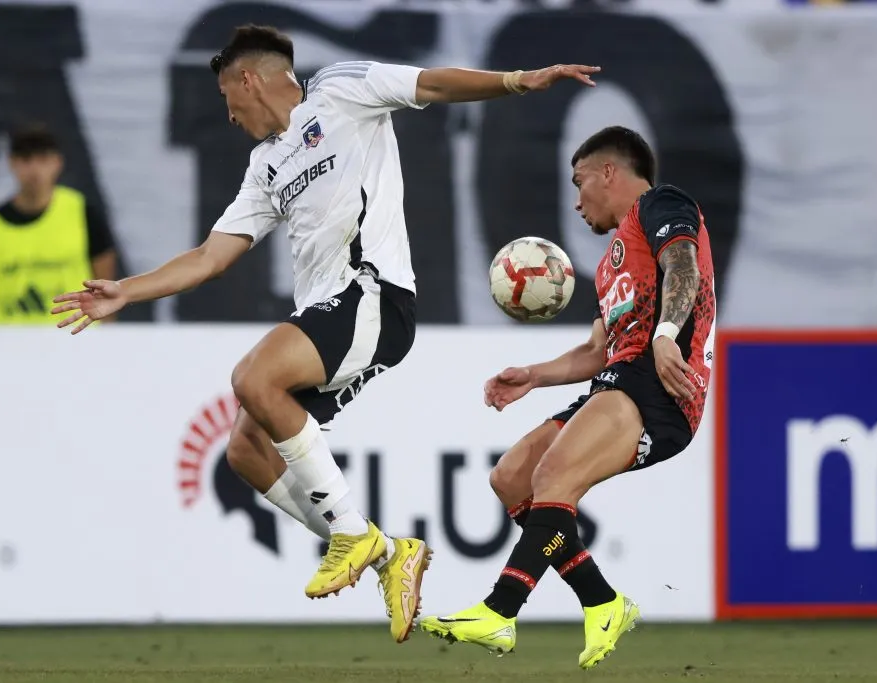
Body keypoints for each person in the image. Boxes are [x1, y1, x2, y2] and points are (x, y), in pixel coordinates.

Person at [50, 24, 600, 643]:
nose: (228, 117)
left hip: (374, 295)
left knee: (253, 378)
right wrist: (127, 289)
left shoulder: (339, 90)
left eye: (226, 99)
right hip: (334, 315)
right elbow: (209, 256)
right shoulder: (265, 167)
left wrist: (517, 81)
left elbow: (433, 85)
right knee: (244, 450)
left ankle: (351, 535)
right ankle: (388, 552)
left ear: (247, 79)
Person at [420, 126, 716, 669]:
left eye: (579, 182)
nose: (576, 201)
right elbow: (595, 352)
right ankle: (603, 602)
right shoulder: (609, 266)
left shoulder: (661, 204)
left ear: (610, 172)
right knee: (510, 477)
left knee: (554, 477)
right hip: (621, 379)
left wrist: (667, 334)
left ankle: (499, 610)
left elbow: (684, 267)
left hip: (659, 389)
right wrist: (532, 375)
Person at [0, 123, 117, 324]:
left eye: (43, 159)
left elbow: (105, 286)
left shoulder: (82, 212)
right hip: (8, 341)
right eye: (26, 159)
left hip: (75, 339)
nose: (34, 169)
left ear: (57, 162)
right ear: (12, 163)